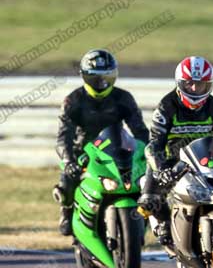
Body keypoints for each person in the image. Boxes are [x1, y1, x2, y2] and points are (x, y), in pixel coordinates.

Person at [137, 56, 213, 246]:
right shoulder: (166, 107)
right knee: (148, 200)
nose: (195, 89)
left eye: (201, 85)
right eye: (190, 84)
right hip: (172, 162)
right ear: (180, 83)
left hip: (205, 160)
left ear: (209, 85)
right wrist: (161, 169)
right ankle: (163, 222)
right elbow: (154, 145)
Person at [54, 49, 148, 236]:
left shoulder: (123, 98)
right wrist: (68, 161)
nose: (101, 82)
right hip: (85, 153)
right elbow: (64, 136)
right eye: (95, 78)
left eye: (106, 77)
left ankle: (147, 215)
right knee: (66, 183)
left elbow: (140, 130)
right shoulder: (73, 101)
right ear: (84, 77)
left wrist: (146, 151)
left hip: (117, 150)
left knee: (145, 180)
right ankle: (67, 211)